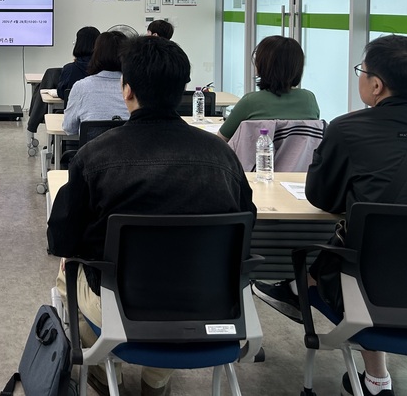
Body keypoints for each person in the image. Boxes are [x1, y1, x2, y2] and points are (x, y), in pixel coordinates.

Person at [253, 35, 407, 396]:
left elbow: (321, 196)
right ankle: (373, 376)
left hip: (370, 294)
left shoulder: (348, 129)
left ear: (376, 85)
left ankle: (300, 289)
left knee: (367, 254)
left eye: (362, 71)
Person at [48, 36, 255, 396]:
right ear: (183, 91)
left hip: (121, 307)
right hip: (210, 305)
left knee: (66, 272)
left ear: (127, 90)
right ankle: (155, 382)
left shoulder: (95, 156)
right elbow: (246, 228)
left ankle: (102, 372)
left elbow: (62, 239)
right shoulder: (222, 157)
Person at [218, 35, 320, 141]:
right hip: (299, 153)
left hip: (257, 152)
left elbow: (221, 139)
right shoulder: (309, 99)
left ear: (263, 65)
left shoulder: (250, 102)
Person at [61, 30, 129, 136]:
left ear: (96, 54)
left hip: (92, 146)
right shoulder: (137, 88)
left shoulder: (81, 87)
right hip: (130, 146)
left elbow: (69, 128)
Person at [57, 26, 100, 106]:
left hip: (75, 111)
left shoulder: (69, 69)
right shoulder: (106, 70)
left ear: (78, 44)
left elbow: (62, 93)